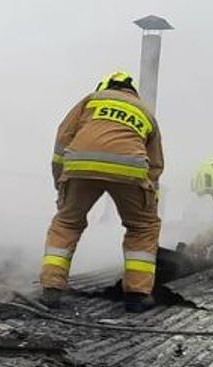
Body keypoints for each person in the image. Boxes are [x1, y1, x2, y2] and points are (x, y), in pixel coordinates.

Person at [39, 71, 164, 313]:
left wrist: (60, 182)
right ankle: (137, 296)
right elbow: (155, 164)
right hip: (130, 168)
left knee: (66, 222)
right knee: (143, 227)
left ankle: (52, 288)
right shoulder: (145, 112)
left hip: (80, 165)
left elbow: (62, 141)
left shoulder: (91, 100)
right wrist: (150, 198)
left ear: (105, 86)